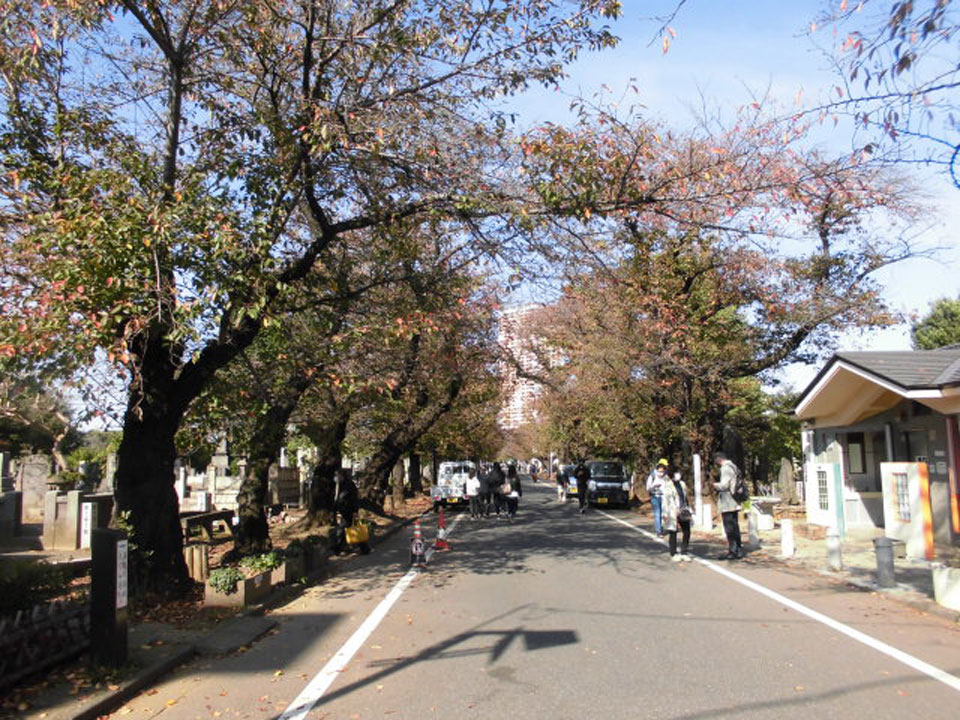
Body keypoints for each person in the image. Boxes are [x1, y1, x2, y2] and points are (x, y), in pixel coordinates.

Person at [713, 452, 743, 559]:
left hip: (727, 500)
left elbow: (724, 485)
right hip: (735, 500)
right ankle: (738, 549)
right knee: (735, 525)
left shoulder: (725, 468)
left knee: (729, 527)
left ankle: (732, 550)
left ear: (719, 459)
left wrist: (714, 485)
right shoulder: (733, 466)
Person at [662, 469, 693, 562]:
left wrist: (689, 508)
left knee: (687, 531)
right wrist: (665, 513)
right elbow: (665, 500)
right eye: (676, 473)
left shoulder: (682, 484)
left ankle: (684, 552)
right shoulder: (667, 486)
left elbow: (685, 496)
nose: (678, 475)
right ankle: (673, 553)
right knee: (673, 532)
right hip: (672, 511)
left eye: (679, 473)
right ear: (671, 475)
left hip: (683, 509)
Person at [646, 459, 669, 536]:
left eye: (662, 471)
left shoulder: (666, 476)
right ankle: (659, 531)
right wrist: (653, 486)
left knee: (664, 514)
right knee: (657, 514)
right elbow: (648, 488)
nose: (661, 473)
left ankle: (661, 528)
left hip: (664, 497)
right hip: (655, 497)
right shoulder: (652, 476)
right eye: (660, 471)